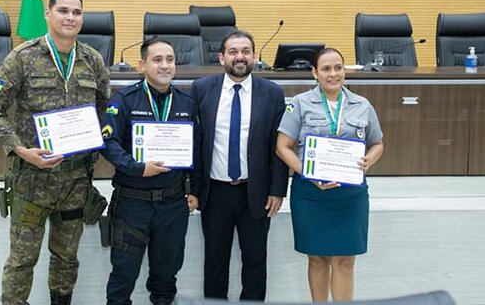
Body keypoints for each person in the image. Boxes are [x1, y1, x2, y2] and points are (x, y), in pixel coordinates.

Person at [0, 0, 110, 305]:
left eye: (77, 12)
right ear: (48, 14)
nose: (71, 17)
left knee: (67, 259)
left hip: (75, 183)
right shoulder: (23, 58)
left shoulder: (92, 60)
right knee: (22, 260)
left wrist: (100, 135)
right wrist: (20, 149)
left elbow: (107, 111)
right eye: (63, 10)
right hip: (31, 181)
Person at [276, 47, 384, 302]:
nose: (333, 74)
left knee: (345, 260)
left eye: (338, 68)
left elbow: (378, 143)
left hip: (350, 195)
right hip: (311, 194)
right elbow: (282, 146)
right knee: (317, 259)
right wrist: (308, 172)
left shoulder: (362, 105)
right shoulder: (299, 104)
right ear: (314, 73)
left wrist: (370, 159)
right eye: (326, 69)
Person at [100, 37, 201, 305]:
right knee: (123, 276)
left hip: (172, 204)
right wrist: (136, 167)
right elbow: (107, 142)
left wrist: (195, 191)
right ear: (142, 64)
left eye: (170, 60)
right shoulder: (124, 99)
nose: (165, 66)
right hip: (132, 202)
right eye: (157, 60)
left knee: (166, 278)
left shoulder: (186, 103)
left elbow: (197, 151)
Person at [191, 30, 288, 301]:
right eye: (233, 52)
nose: (240, 57)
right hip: (215, 193)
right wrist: (194, 189)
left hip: (254, 192)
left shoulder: (272, 93)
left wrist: (278, 189)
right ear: (221, 57)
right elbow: (196, 144)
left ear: (254, 56)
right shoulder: (201, 89)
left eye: (245, 51)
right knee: (214, 264)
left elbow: (277, 145)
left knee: (255, 263)